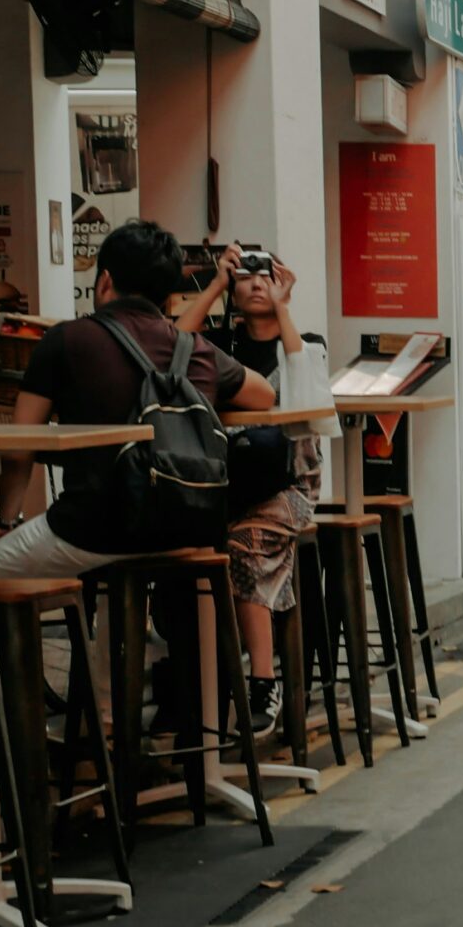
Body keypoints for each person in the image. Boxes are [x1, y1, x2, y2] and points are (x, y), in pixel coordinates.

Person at [0, 221, 273, 578]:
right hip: (188, 526)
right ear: (167, 292)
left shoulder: (65, 340)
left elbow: (19, 449)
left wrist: (5, 520)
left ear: (105, 281)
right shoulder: (195, 350)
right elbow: (263, 393)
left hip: (91, 532)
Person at [178, 243, 325, 737]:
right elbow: (173, 343)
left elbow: (304, 397)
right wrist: (215, 283)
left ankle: (263, 680)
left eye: (267, 274)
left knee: (244, 544)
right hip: (220, 485)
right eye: (246, 276)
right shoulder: (219, 344)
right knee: (178, 552)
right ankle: (192, 689)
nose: (257, 282)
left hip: (288, 486)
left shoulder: (306, 342)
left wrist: (284, 310)